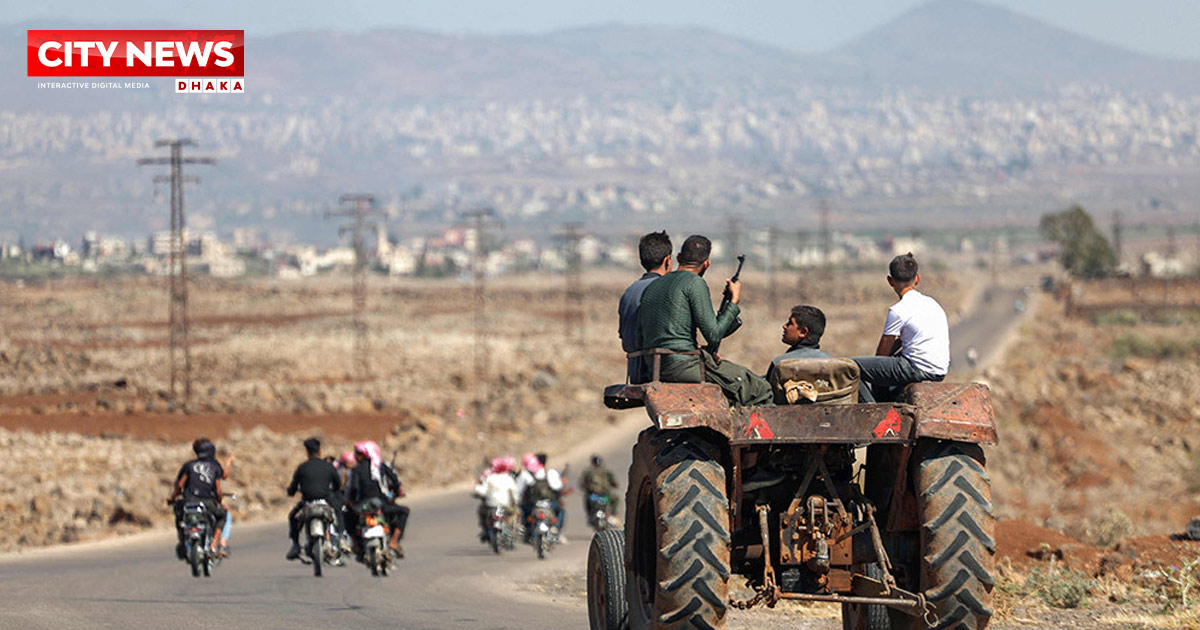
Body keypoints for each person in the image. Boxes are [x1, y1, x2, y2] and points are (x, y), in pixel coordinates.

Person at [636, 234, 772, 405]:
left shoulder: (654, 286)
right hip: (683, 366)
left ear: (679, 257)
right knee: (760, 389)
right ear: (706, 263)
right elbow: (714, 334)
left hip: (655, 367)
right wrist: (734, 302)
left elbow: (646, 335)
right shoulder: (694, 283)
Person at [853, 253, 949, 402]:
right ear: (917, 279)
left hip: (916, 368)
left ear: (890, 281)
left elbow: (882, 355)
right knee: (883, 370)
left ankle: (873, 408)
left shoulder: (898, 310)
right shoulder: (933, 304)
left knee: (851, 367)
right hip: (939, 370)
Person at [618, 231, 672, 383]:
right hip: (659, 371)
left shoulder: (629, 292)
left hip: (635, 372)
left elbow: (624, 335)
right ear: (668, 260)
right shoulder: (667, 288)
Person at [166, 437, 229, 560]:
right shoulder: (214, 466)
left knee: (179, 517)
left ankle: (182, 543)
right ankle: (214, 544)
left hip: (188, 501)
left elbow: (180, 485)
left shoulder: (189, 465)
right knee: (222, 515)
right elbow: (218, 490)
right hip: (207, 502)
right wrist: (219, 502)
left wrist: (172, 498)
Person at [344, 440, 409, 558]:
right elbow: (395, 481)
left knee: (347, 516)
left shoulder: (357, 469)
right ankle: (394, 541)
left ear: (363, 455)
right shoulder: (381, 466)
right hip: (382, 504)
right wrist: (396, 493)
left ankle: (356, 544)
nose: (356, 456)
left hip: (363, 505)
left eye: (357, 453)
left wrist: (352, 502)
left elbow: (353, 488)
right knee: (404, 511)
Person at [285, 437, 342, 561]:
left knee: (293, 517)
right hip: (326, 503)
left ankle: (295, 545)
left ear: (307, 452)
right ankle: (341, 540)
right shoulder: (328, 467)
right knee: (338, 513)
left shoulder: (302, 468)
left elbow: (293, 487)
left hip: (307, 504)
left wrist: (291, 492)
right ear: (320, 451)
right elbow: (338, 485)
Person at [764, 305, 831, 385]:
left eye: (790, 323)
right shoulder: (831, 362)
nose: (784, 326)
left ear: (803, 332)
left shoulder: (780, 363)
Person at [516, 452, 564, 542]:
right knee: (560, 510)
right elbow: (558, 487)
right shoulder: (550, 473)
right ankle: (556, 528)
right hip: (549, 503)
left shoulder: (525, 475)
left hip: (532, 504)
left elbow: (518, 491)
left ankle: (527, 530)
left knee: (524, 511)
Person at [473, 456, 519, 542]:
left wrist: (477, 490)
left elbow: (483, 490)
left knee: (482, 512)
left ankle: (486, 530)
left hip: (492, 504)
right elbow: (514, 491)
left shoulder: (490, 477)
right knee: (513, 513)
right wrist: (516, 500)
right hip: (505, 504)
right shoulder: (508, 478)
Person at [579, 454, 619, 526]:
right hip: (602, 495)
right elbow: (614, 483)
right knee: (615, 499)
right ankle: (613, 515)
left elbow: (582, 484)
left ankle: (591, 516)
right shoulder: (606, 472)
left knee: (588, 501)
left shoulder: (588, 472)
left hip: (596, 495)